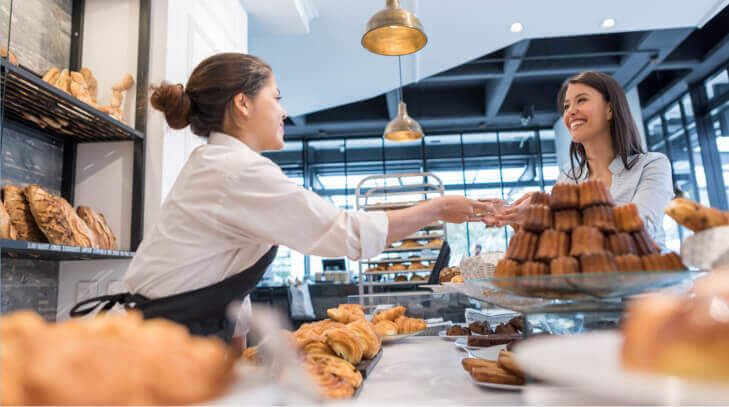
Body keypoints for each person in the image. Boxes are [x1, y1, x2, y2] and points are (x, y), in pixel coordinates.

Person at [69, 53, 496, 344]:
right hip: (159, 347)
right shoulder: (235, 172)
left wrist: (237, 345)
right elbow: (346, 233)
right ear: (242, 104)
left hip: (168, 336)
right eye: (276, 98)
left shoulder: (218, 165)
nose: (284, 113)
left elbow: (223, 267)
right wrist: (437, 208)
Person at [497, 71, 673, 250]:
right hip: (586, 278)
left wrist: (550, 213)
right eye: (566, 106)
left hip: (647, 275)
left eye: (581, 100)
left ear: (609, 109)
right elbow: (561, 243)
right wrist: (526, 220)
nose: (570, 112)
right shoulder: (567, 178)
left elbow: (641, 227)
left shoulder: (652, 165)